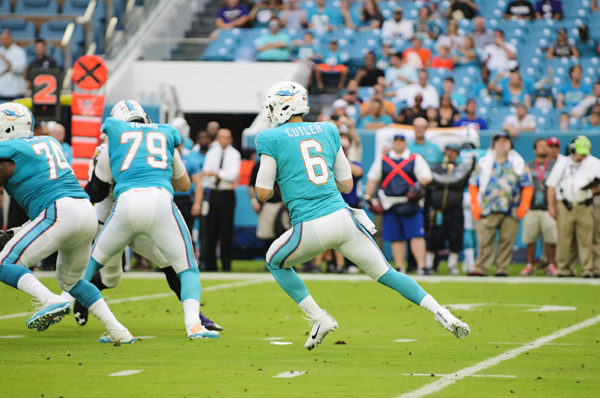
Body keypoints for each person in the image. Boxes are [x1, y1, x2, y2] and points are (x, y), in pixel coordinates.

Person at [255, 81, 469, 350]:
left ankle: (319, 317)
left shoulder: (269, 138)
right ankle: (442, 313)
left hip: (311, 224)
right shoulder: (328, 129)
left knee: (274, 261)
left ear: (287, 105)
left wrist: (288, 176)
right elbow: (346, 185)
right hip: (344, 220)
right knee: (387, 273)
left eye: (274, 107)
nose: (271, 113)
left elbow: (263, 193)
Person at [80, 100, 219, 340]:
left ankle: (64, 301)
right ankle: (193, 322)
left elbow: (96, 190)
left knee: (162, 263)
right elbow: (183, 184)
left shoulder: (112, 141)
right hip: (126, 211)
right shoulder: (160, 138)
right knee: (117, 277)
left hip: (121, 213)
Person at [0, 102, 133, 343]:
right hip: (84, 211)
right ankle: (118, 331)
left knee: (2, 262)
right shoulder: (49, 142)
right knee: (72, 281)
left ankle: (49, 299)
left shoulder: (10, 149)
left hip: (59, 211)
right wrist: (18, 230)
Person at [365, 134, 432, 274]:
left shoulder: (414, 158)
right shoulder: (383, 159)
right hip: (389, 203)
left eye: (401, 141)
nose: (399, 144)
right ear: (393, 143)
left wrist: (418, 186)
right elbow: (372, 178)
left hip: (410, 203)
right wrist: (368, 196)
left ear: (406, 143)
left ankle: (422, 266)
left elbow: (426, 177)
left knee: (416, 236)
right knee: (396, 237)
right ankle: (400, 267)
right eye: (396, 141)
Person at [468, 132, 533, 276]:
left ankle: (501, 269)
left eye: (505, 141)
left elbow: (528, 185)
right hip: (487, 208)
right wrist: (475, 205)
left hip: (511, 208)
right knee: (485, 241)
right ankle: (482, 269)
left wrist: (524, 205)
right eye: (499, 141)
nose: (502, 143)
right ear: (493, 144)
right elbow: (473, 184)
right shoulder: (484, 162)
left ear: (510, 144)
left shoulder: (518, 163)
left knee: (507, 240)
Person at [546, 136, 596, 277]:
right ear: (573, 150)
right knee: (564, 239)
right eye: (580, 152)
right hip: (565, 205)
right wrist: (551, 206)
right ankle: (564, 269)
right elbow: (551, 185)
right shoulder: (562, 163)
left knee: (586, 239)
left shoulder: (592, 163)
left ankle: (587, 269)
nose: (583, 155)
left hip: (585, 205)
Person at [426, 144, 474, 274]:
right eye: (448, 151)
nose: (450, 154)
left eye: (453, 152)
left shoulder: (461, 170)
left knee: (455, 238)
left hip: (455, 210)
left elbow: (460, 182)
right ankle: (431, 265)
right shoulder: (436, 169)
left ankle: (452, 265)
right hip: (438, 211)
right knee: (434, 238)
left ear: (457, 154)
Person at [202, 128, 241, 272]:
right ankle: (209, 264)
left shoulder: (234, 154)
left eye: (226, 137)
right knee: (210, 229)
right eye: (221, 137)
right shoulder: (212, 153)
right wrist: (218, 175)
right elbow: (206, 172)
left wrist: (216, 174)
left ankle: (226, 264)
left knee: (226, 230)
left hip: (227, 194)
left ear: (230, 139)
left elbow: (232, 175)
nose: (223, 140)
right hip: (213, 193)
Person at [519, 139, 558, 276]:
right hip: (532, 207)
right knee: (530, 239)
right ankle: (530, 265)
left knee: (551, 239)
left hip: (548, 208)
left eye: (545, 145)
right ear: (535, 150)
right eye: (540, 146)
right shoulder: (528, 165)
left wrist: (555, 207)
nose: (543, 148)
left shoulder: (555, 165)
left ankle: (551, 265)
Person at [0, 30, 26, 101]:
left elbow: (20, 69)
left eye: (5, 39)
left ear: (11, 38)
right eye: (2, 39)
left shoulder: (19, 51)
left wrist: (7, 61)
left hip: (16, 92)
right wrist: (8, 68)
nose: (3, 41)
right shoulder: (0, 51)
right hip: (1, 92)